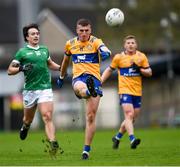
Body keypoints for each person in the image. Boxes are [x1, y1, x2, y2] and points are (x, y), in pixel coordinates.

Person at [57, 18, 111, 160]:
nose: (84, 33)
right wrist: (62, 77)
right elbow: (65, 62)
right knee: (81, 88)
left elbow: (104, 48)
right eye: (81, 30)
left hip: (94, 79)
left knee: (91, 116)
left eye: (87, 30)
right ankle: (88, 91)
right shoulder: (70, 44)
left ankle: (86, 150)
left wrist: (106, 53)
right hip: (79, 78)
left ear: (90, 30)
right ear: (77, 30)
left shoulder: (96, 41)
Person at [7, 23, 61, 156]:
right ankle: (25, 127)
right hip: (30, 91)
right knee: (27, 120)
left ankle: (53, 142)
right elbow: (10, 70)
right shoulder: (22, 52)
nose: (36, 36)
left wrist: (62, 68)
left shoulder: (44, 50)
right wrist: (21, 68)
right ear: (27, 37)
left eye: (37, 33)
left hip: (45, 88)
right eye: (33, 34)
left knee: (47, 116)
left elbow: (50, 64)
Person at [101, 35, 152, 150]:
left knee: (132, 119)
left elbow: (149, 72)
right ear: (124, 45)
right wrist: (100, 81)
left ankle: (117, 137)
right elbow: (109, 69)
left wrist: (140, 69)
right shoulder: (118, 58)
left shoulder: (141, 57)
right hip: (124, 90)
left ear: (136, 45)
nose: (130, 45)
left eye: (132, 43)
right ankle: (132, 139)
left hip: (137, 92)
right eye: (128, 43)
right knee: (129, 115)